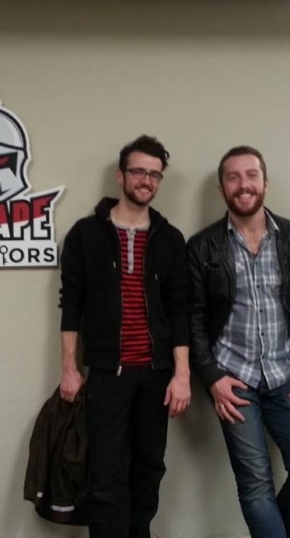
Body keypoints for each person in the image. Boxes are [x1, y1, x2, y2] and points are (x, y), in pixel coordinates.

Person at [188, 145, 290, 538]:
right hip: (233, 381)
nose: (243, 184)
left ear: (266, 182)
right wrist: (212, 376)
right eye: (233, 177)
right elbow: (193, 319)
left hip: (287, 377)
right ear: (222, 189)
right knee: (254, 485)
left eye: (251, 175)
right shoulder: (202, 246)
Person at [58, 135, 191, 538]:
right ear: (120, 176)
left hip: (156, 374)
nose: (146, 180)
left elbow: (179, 309)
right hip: (106, 374)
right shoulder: (85, 235)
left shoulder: (170, 238)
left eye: (154, 174)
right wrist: (69, 369)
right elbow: (71, 305)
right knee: (105, 473)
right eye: (138, 171)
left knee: (149, 468)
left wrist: (181, 374)